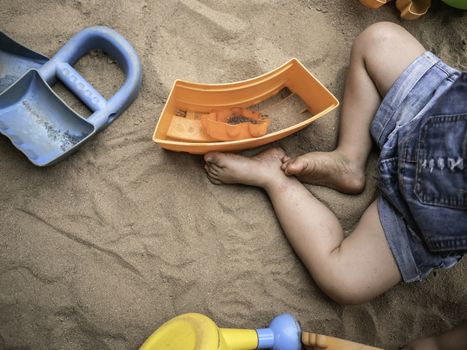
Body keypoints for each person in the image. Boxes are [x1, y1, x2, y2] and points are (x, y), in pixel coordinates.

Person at [203, 21, 466, 308]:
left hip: (422, 218)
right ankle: (349, 158)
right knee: (378, 40)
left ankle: (274, 178)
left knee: (343, 279)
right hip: (428, 109)